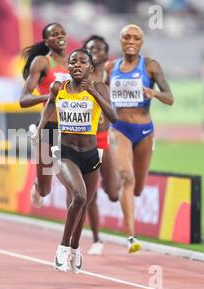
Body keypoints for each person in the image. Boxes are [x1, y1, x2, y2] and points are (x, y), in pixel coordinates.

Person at [33, 48, 117, 272]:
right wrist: (40, 130)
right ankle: (62, 247)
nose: (77, 65)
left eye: (82, 62)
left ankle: (75, 247)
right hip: (64, 152)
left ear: (90, 67)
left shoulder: (99, 87)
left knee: (85, 203)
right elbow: (49, 107)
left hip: (90, 155)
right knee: (79, 195)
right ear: (68, 67)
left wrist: (94, 93)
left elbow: (113, 116)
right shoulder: (58, 88)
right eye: (73, 62)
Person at [105, 25, 174, 253]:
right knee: (127, 176)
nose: (131, 40)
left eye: (136, 37)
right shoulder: (110, 68)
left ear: (141, 42)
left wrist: (154, 93)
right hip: (119, 128)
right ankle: (131, 238)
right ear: (121, 40)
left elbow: (170, 97)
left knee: (137, 188)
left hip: (144, 131)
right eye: (126, 37)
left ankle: (120, 191)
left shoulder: (151, 66)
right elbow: (101, 97)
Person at [20, 23, 71, 207]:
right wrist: (48, 95)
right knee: (45, 190)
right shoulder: (42, 62)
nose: (60, 36)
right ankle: (37, 185)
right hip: (49, 129)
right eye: (55, 34)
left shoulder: (75, 63)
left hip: (71, 129)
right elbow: (23, 99)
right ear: (47, 41)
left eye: (62, 32)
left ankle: (71, 232)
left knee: (73, 184)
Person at [82, 35, 120, 256]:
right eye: (90, 48)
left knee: (113, 193)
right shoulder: (78, 73)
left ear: (106, 54)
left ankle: (112, 182)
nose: (94, 51)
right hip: (83, 140)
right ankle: (97, 239)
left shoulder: (109, 73)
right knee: (90, 196)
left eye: (99, 48)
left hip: (103, 139)